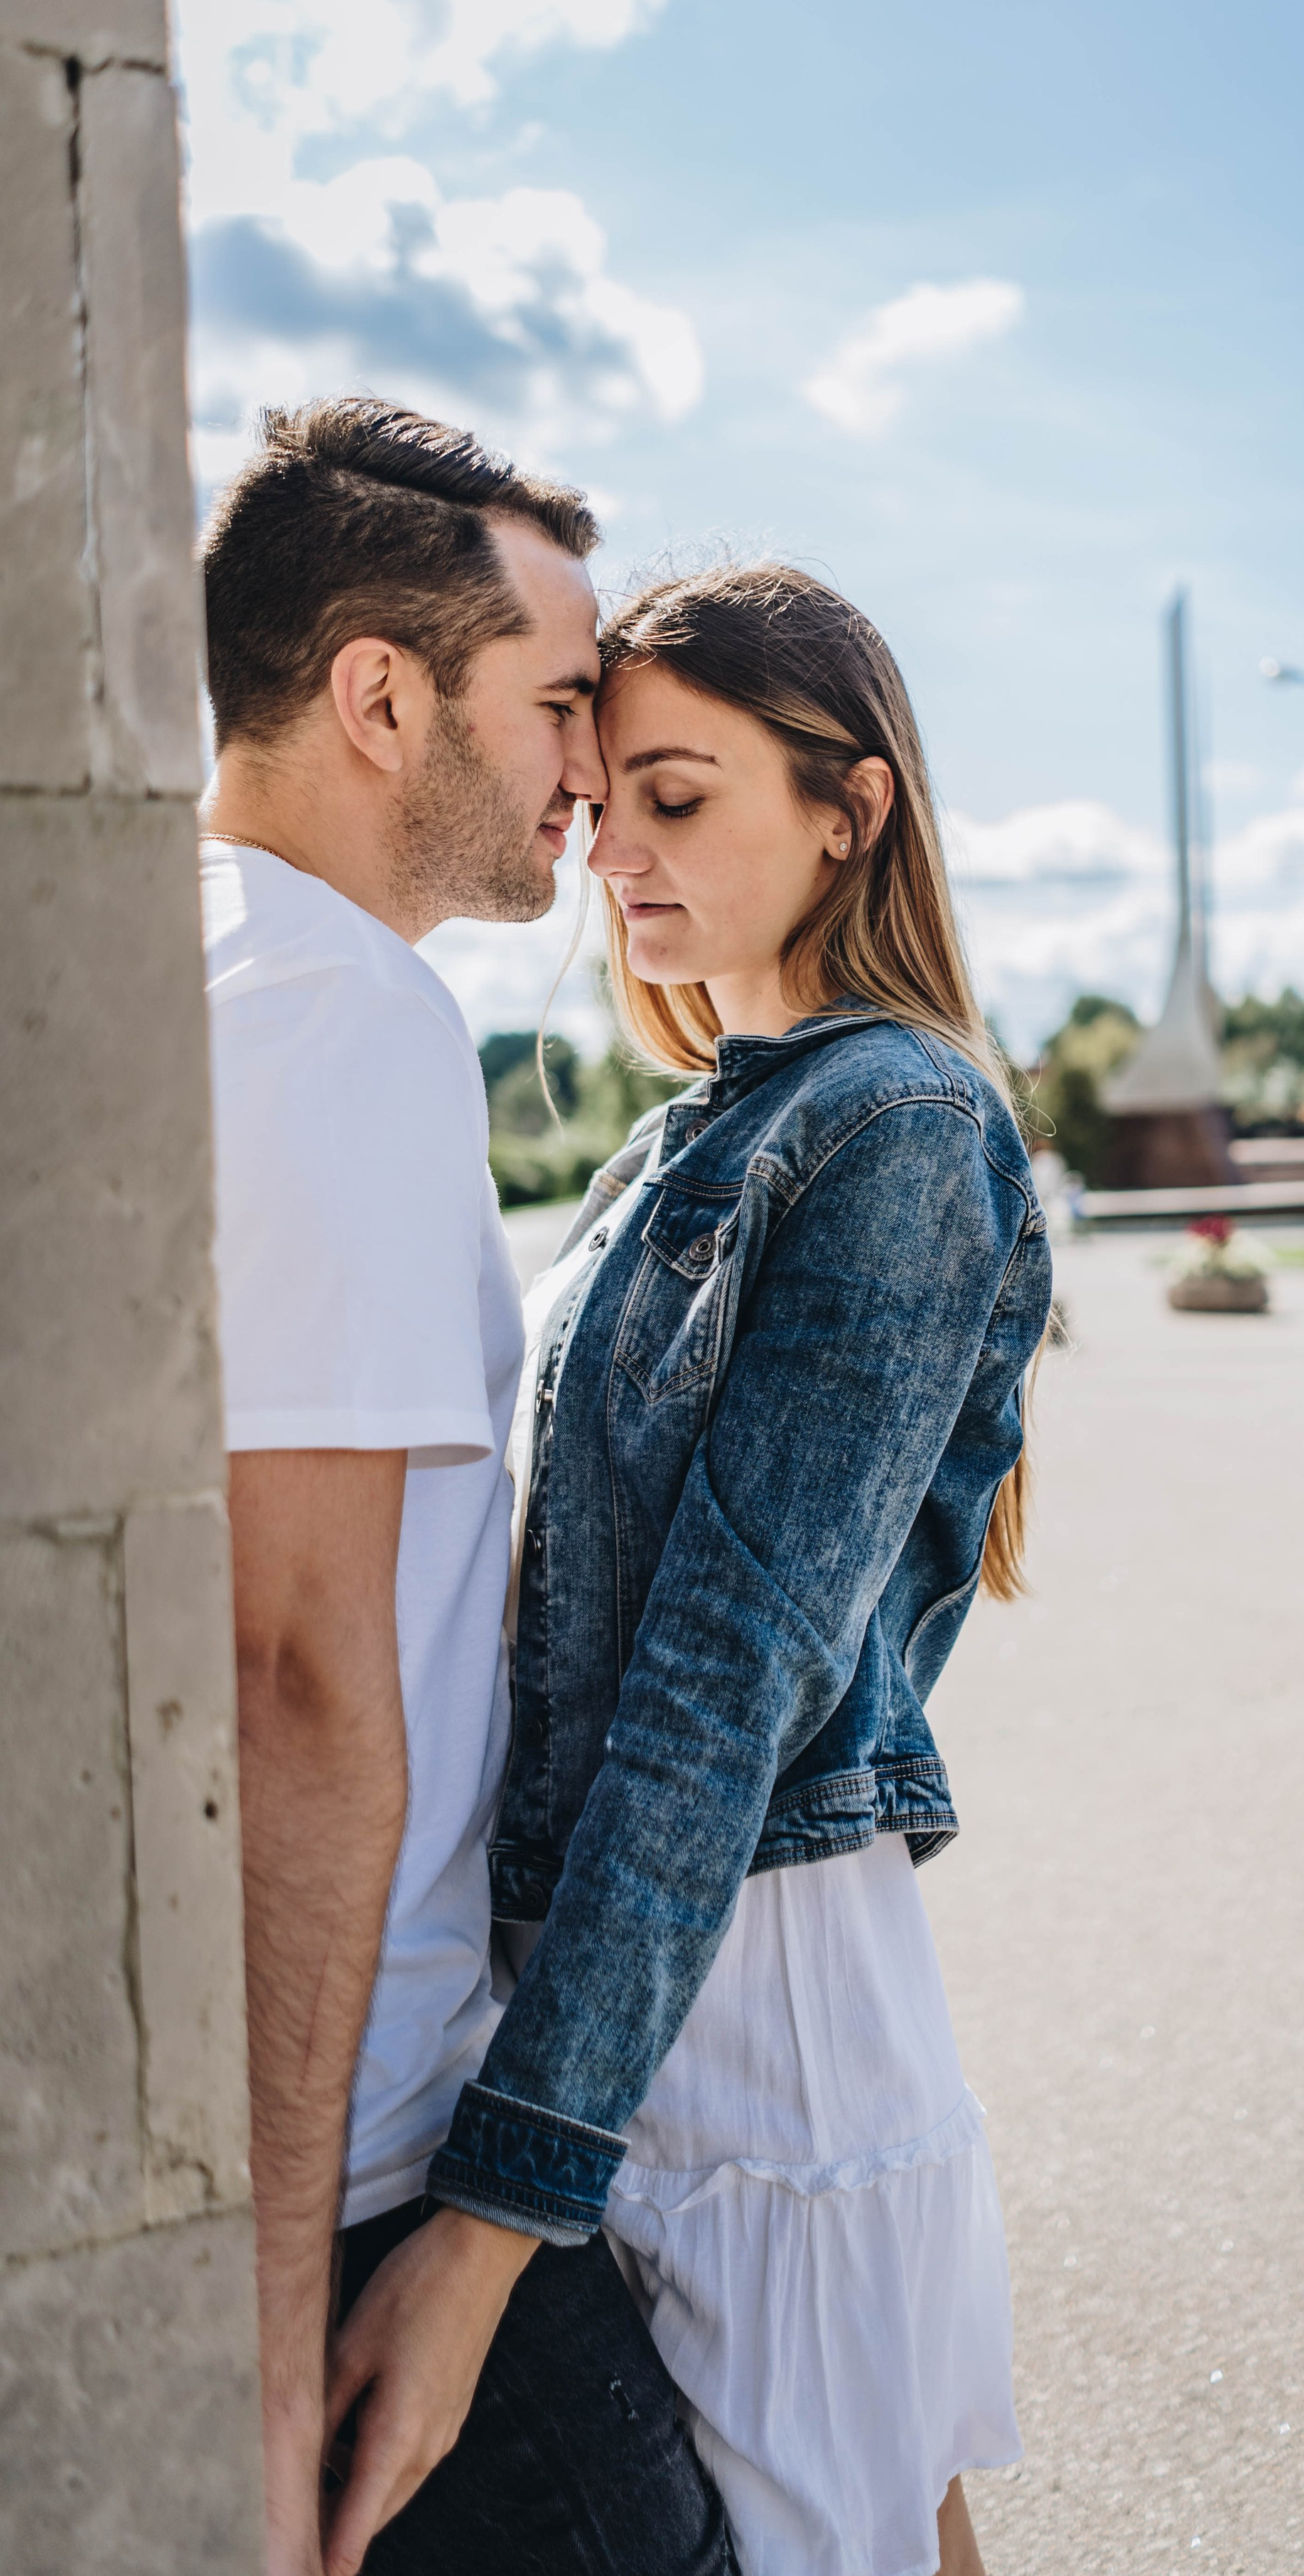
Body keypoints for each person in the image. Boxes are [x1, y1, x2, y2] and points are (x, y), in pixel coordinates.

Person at [343, 562, 1052, 2576]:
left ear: (853, 808)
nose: (616, 855)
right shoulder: (684, 1140)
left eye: (680, 795)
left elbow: (719, 1685)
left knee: (836, 2527)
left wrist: (503, 2191)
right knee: (874, 2521)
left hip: (744, 1985)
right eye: (603, 803)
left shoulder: (895, 1126)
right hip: (619, 1965)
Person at [198, 398, 735, 2576]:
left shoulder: (178, 967)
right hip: (362, 2176)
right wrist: (265, 2341)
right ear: (379, 692)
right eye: (554, 701)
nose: (587, 773)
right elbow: (301, 1674)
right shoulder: (339, 1009)